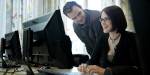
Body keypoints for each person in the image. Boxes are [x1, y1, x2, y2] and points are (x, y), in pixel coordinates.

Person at [78, 5, 142, 75]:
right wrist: (85, 65)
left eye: (106, 19)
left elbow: (136, 68)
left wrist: (106, 71)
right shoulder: (102, 38)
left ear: (117, 19)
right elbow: (93, 60)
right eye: (101, 19)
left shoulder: (132, 38)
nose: (102, 22)